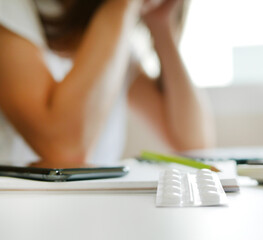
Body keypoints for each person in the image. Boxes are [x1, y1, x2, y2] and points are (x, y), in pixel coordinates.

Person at [0, 0, 215, 168]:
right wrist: (122, 5)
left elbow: (194, 142)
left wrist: (162, 26)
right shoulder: (11, 9)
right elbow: (64, 149)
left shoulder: (112, 37)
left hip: (92, 217)